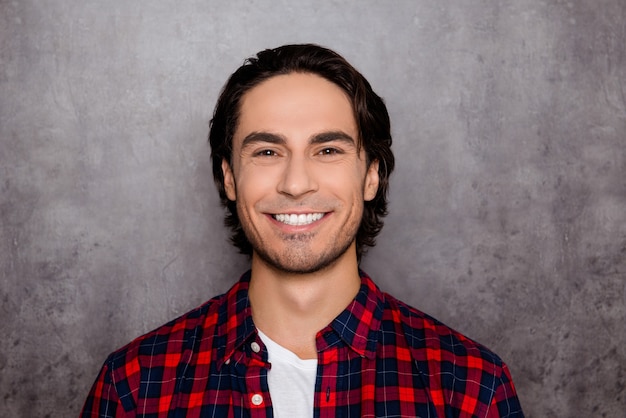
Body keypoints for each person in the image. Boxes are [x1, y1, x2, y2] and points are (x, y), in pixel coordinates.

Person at [81, 44, 524, 417]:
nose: (296, 184)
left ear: (371, 175)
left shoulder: (469, 388)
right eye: (268, 151)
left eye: (327, 149)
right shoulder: (135, 385)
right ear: (230, 177)